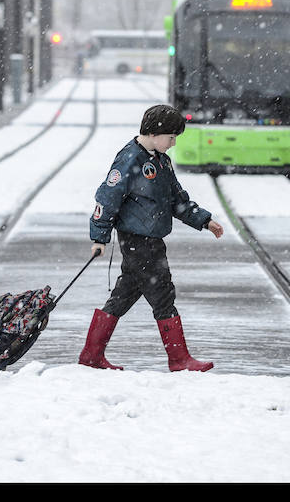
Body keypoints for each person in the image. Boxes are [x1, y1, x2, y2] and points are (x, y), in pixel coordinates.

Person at [79, 104, 224, 372]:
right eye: (171, 137)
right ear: (156, 133)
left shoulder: (161, 160)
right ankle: (179, 359)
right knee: (162, 293)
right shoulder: (130, 159)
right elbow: (107, 198)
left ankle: (91, 354)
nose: (173, 143)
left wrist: (203, 220)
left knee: (124, 294)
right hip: (137, 238)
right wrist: (99, 236)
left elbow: (176, 199)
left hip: (152, 238)